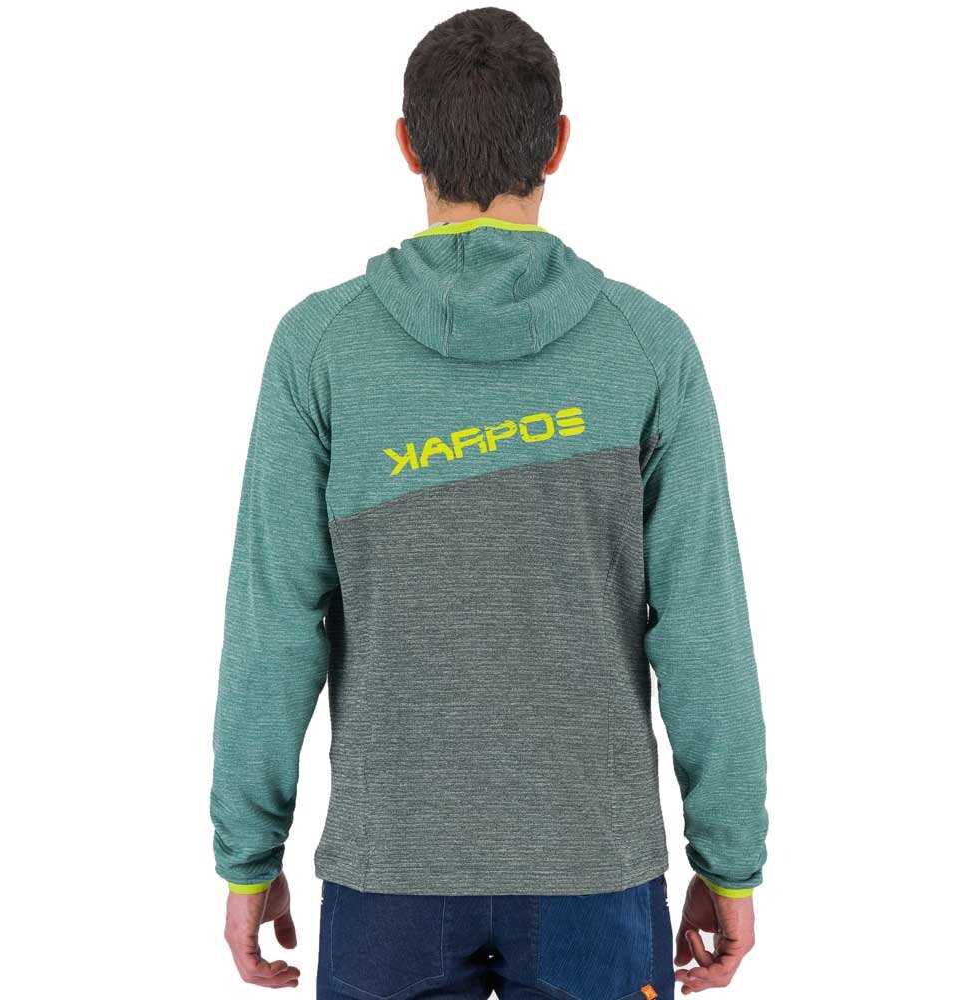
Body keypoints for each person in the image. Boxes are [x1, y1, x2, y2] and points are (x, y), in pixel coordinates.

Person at [210, 7, 768, 997]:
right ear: (557, 145)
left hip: (390, 872)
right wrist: (728, 861)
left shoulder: (321, 348)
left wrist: (249, 856)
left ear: (406, 145)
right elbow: (702, 628)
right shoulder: (646, 347)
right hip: (597, 871)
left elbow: (273, 626)